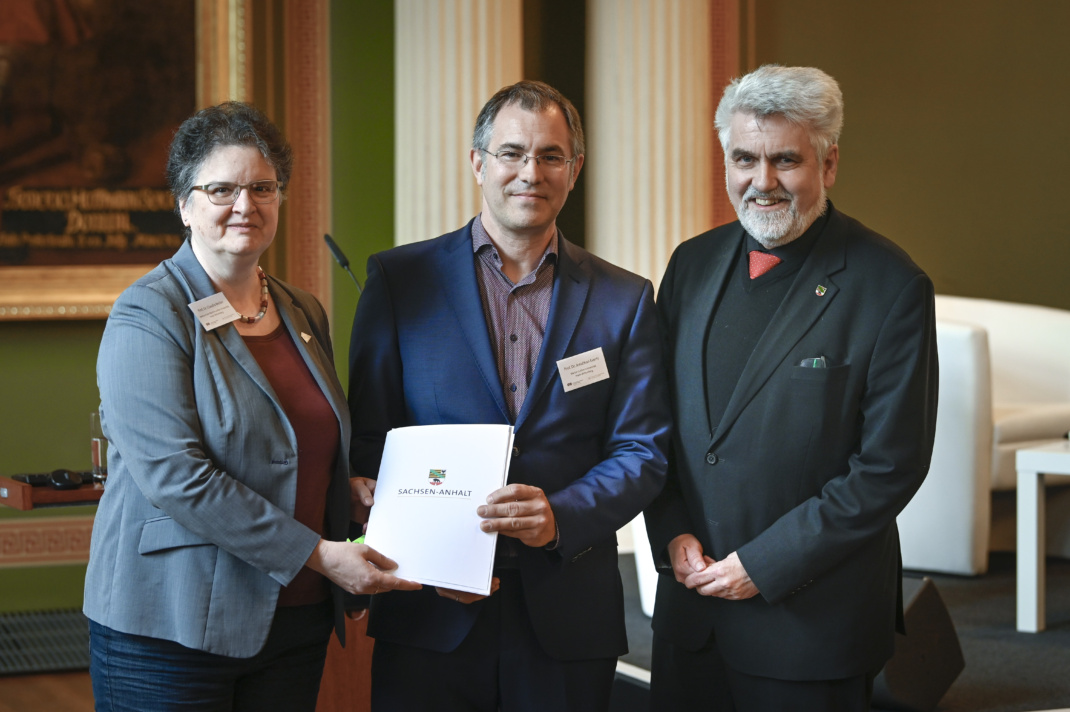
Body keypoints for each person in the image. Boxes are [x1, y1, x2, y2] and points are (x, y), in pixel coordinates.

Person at [83, 101, 419, 712]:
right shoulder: (148, 313)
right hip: (172, 626)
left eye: (263, 187)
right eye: (222, 189)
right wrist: (318, 554)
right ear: (184, 204)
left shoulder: (301, 311)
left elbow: (294, 446)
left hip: (294, 622)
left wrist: (346, 489)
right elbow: (176, 478)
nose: (246, 205)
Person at [348, 80, 671, 712]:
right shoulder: (398, 281)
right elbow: (370, 439)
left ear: (573, 171)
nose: (531, 172)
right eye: (511, 153)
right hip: (429, 613)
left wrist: (560, 516)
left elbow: (644, 450)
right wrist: (429, 550)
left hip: (566, 613)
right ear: (478, 163)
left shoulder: (624, 298)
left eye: (551, 156)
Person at [644, 65, 939, 711]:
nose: (763, 181)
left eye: (786, 160)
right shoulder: (689, 264)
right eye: (744, 158)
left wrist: (766, 564)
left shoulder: (890, 285)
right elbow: (655, 421)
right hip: (690, 617)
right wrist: (670, 531)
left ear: (829, 164)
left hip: (812, 626)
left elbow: (890, 467)